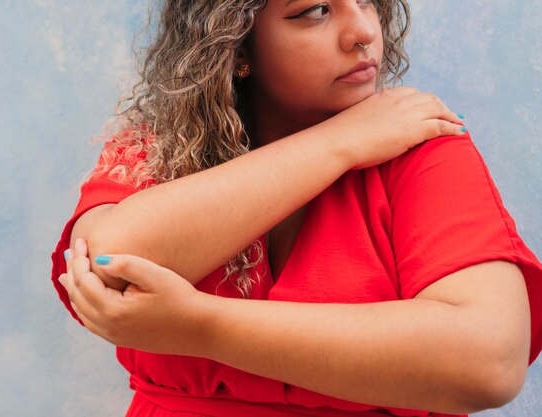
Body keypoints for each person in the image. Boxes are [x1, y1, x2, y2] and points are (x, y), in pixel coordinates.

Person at [52, 0, 542, 416]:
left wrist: (200, 325)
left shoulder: (423, 146)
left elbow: (489, 362)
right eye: (316, 11)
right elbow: (103, 267)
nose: (364, 32)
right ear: (237, 44)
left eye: (368, 0)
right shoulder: (159, 151)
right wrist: (340, 142)